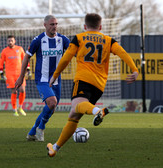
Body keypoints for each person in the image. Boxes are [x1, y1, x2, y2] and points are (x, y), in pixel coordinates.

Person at [47, 13, 139, 157]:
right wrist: (134, 70)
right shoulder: (108, 40)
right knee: (74, 116)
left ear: (85, 26)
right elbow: (123, 53)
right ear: (100, 27)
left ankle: (97, 111)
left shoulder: (79, 38)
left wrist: (55, 75)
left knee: (76, 105)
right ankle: (55, 148)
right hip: (99, 85)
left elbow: (66, 58)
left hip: (83, 79)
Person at [15, 15, 70, 142]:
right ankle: (41, 128)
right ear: (45, 25)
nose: (54, 26)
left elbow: (75, 51)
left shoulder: (63, 40)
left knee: (52, 108)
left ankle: (32, 132)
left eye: (56, 24)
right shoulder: (38, 40)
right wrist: (21, 77)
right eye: (52, 24)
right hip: (42, 79)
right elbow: (26, 58)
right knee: (52, 102)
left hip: (56, 80)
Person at [0, 35, 30, 117]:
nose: (10, 42)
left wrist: (28, 69)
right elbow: (1, 62)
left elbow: (25, 59)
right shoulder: (4, 51)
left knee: (22, 90)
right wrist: (1, 73)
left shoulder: (20, 49)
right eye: (9, 41)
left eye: (11, 40)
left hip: (20, 73)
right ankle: (15, 110)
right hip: (10, 74)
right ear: (7, 42)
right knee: (14, 91)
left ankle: (20, 107)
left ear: (14, 41)